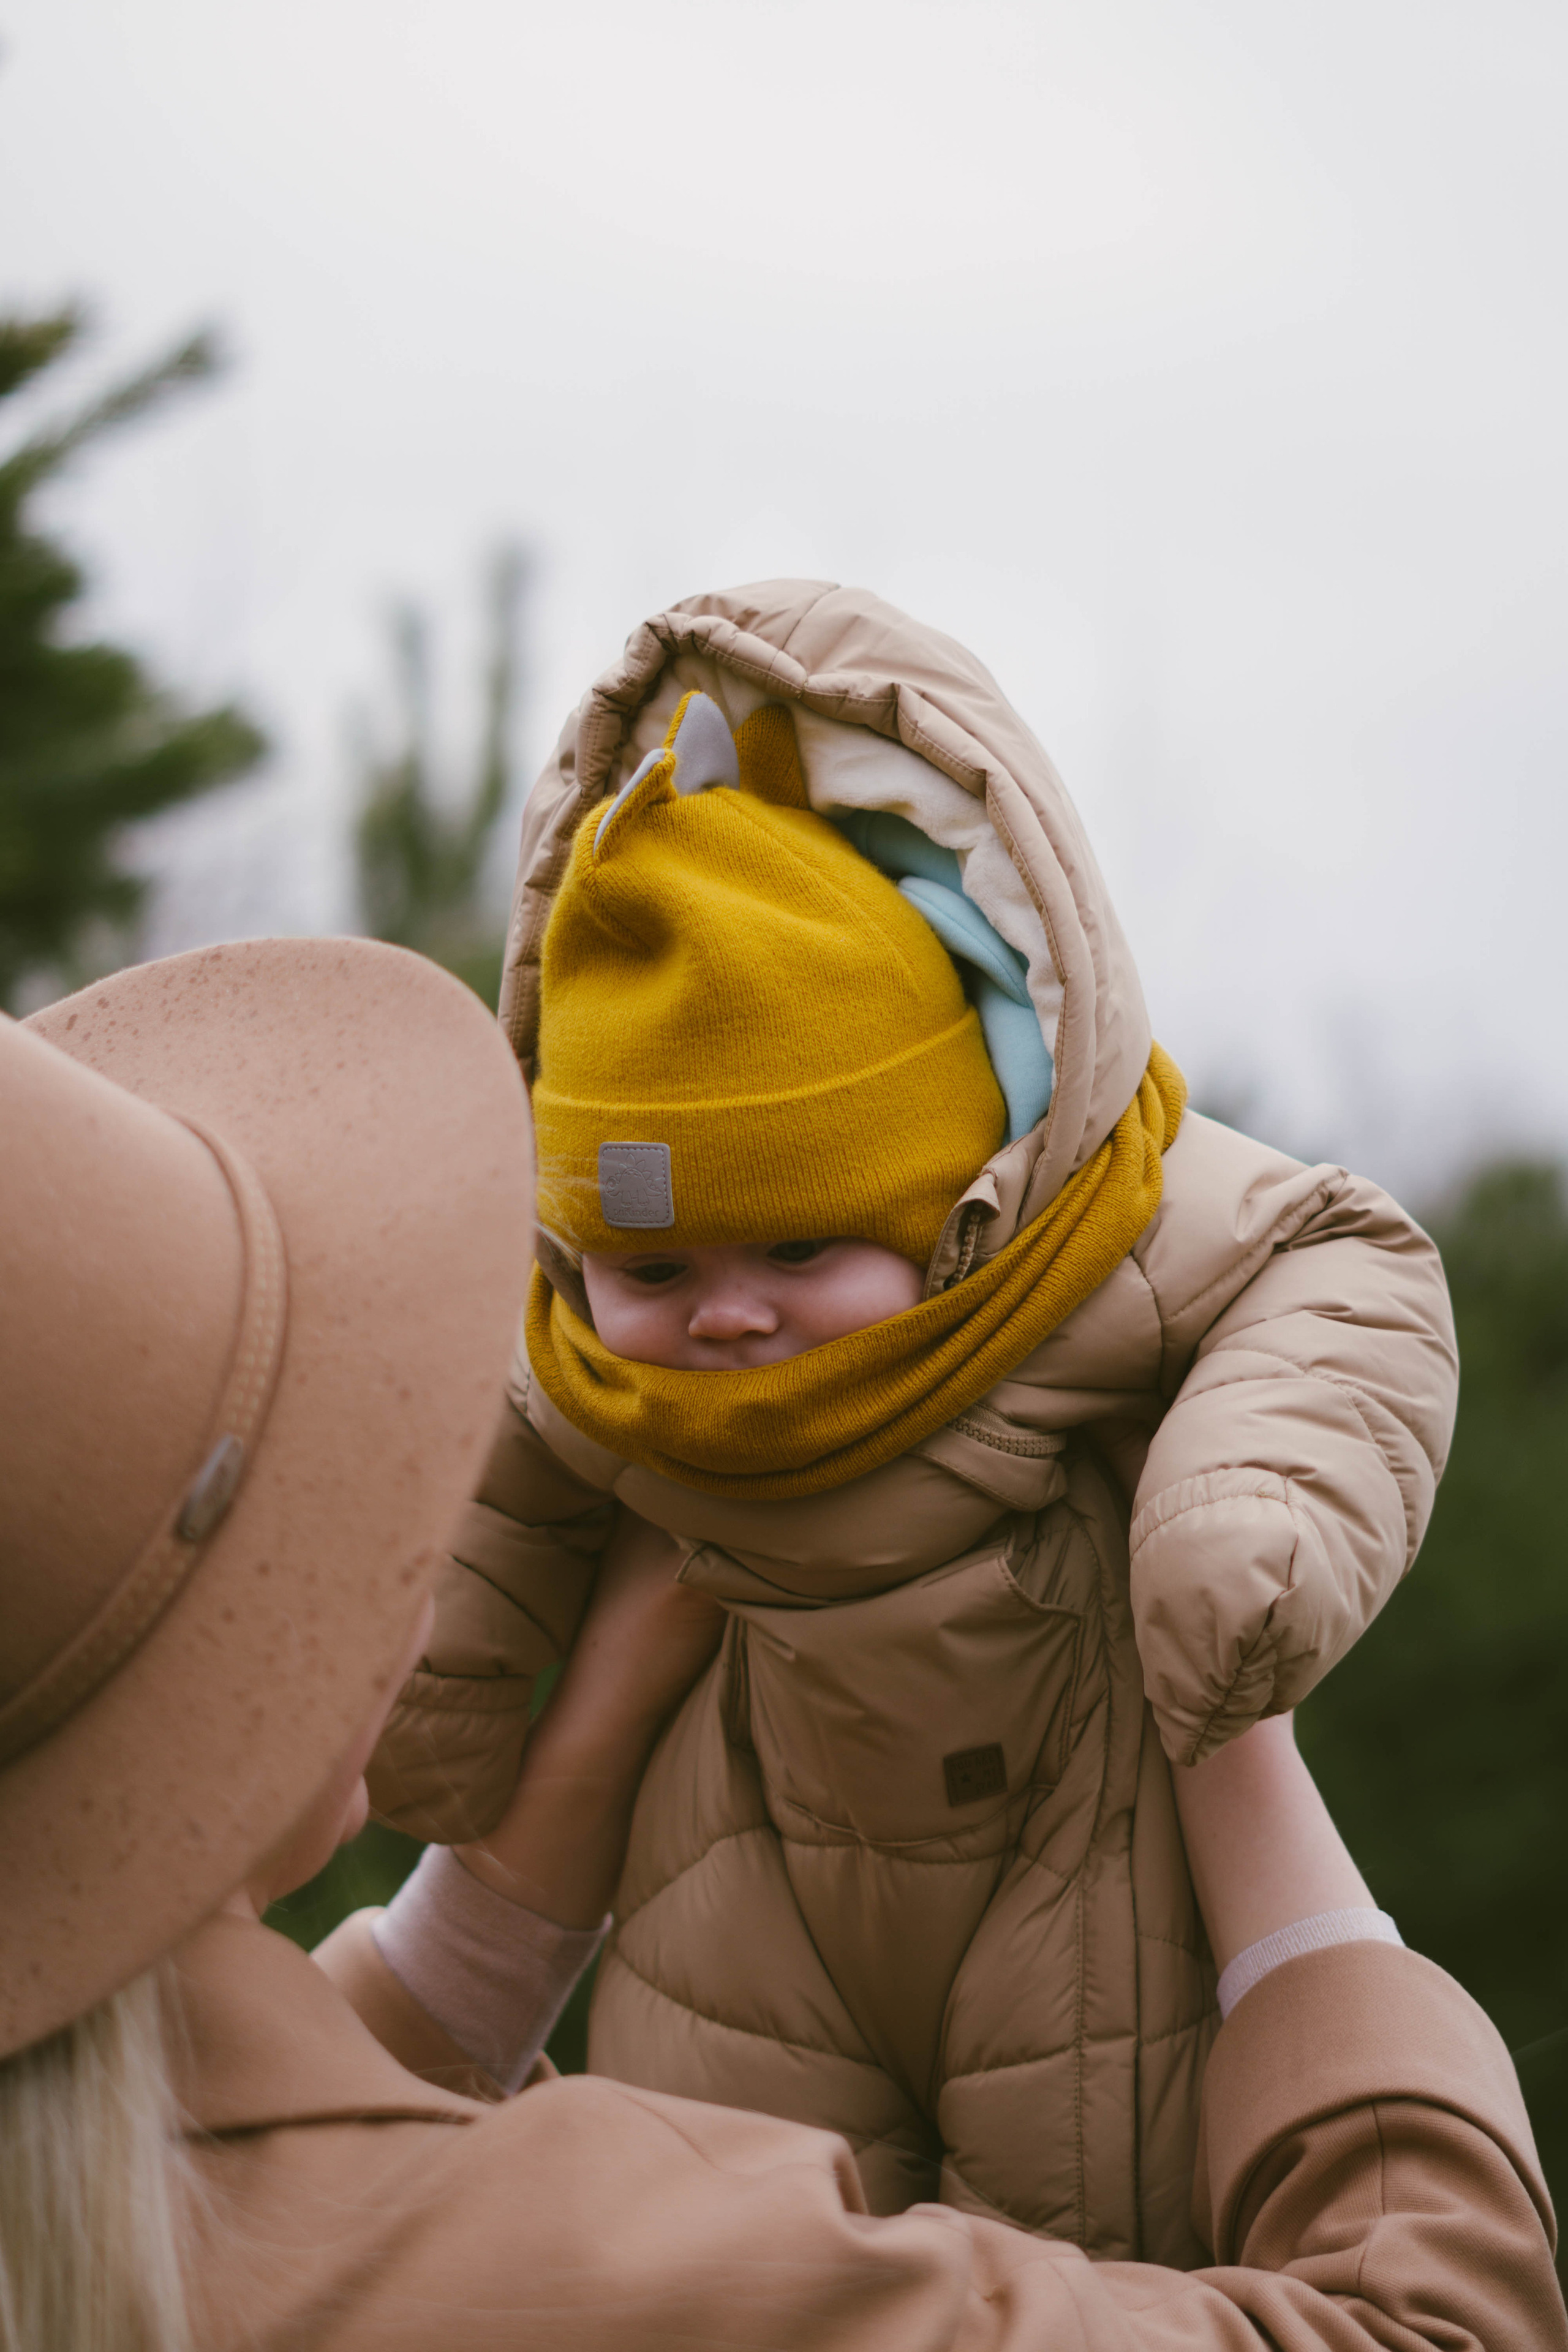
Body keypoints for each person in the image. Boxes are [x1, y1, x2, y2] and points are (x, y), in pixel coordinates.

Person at [1, 937, 1561, 2351]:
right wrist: (1222, 1724)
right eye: (332, 1472)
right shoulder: (623, 2283)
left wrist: (564, 1780)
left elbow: (261, 2140)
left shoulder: (122, 2238)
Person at [369, 580, 1460, 2256]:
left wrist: (1236, 1519)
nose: (727, 1316)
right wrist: (433, 1683)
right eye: (654, 1265)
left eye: (800, 1249)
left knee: (1072, 2262)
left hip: (1076, 1829)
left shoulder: (1083, 1242)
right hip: (733, 1868)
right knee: (733, 2257)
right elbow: (500, 1481)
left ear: (948, 1196)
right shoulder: (591, 1367)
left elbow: (1339, 1267)